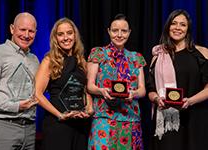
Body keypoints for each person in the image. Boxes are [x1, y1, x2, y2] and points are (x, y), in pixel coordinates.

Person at [147, 9, 208, 150]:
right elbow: (151, 89)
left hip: (195, 120)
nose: (177, 28)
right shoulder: (158, 55)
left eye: (182, 24)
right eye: (174, 23)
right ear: (168, 26)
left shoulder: (202, 53)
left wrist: (190, 101)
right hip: (165, 121)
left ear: (188, 29)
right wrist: (157, 99)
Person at [87, 13, 146, 150]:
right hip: (104, 117)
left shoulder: (136, 58)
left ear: (129, 32)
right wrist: (101, 90)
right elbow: (90, 85)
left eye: (124, 31)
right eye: (115, 30)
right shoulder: (98, 53)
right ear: (109, 31)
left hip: (131, 118)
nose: (119, 35)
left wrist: (134, 93)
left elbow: (142, 89)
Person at [35, 17, 93, 150]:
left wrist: (89, 108)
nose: (66, 38)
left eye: (69, 33)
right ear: (55, 38)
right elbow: (37, 94)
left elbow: (86, 90)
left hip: (80, 125)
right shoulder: (49, 61)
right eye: (60, 34)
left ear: (75, 35)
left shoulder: (82, 61)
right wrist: (59, 115)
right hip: (57, 125)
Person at [0, 12, 39, 150]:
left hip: (29, 129)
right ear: (12, 29)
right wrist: (15, 106)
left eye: (31, 31)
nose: (26, 35)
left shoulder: (35, 60)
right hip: (2, 127)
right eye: (22, 30)